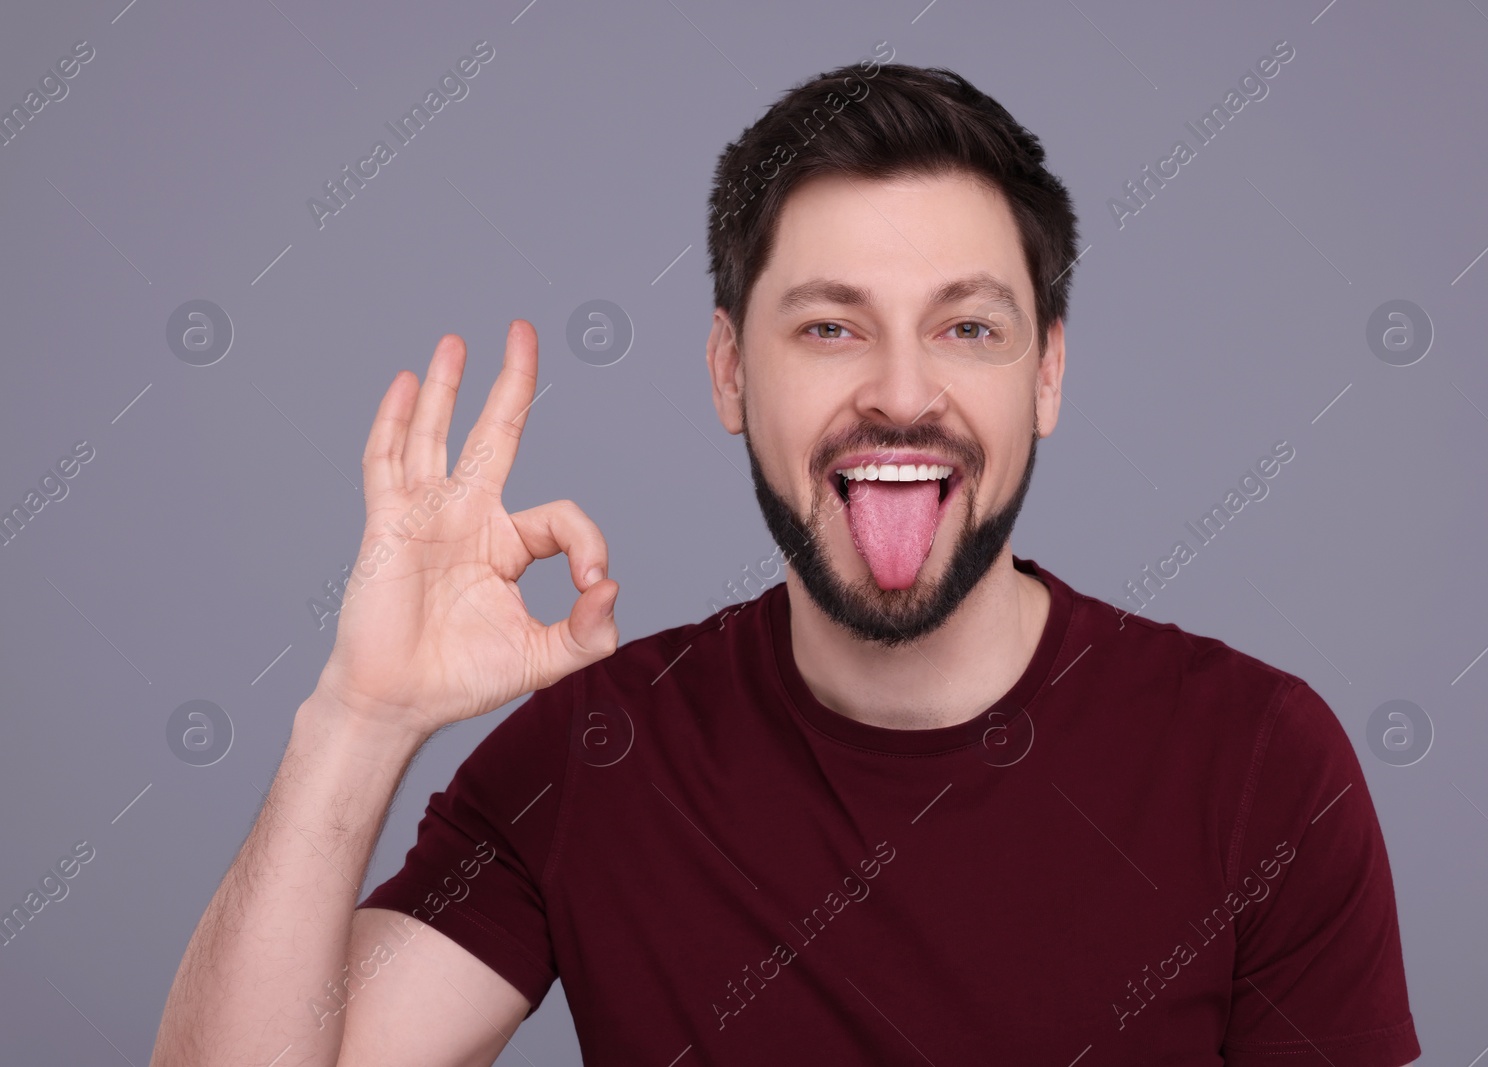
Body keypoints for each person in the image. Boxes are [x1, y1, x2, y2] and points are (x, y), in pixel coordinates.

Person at [151, 61, 1421, 1065]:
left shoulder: (1261, 761)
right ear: (728, 373)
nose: (902, 394)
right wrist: (359, 717)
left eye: (967, 327)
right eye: (829, 326)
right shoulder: (590, 758)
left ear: (1045, 373)